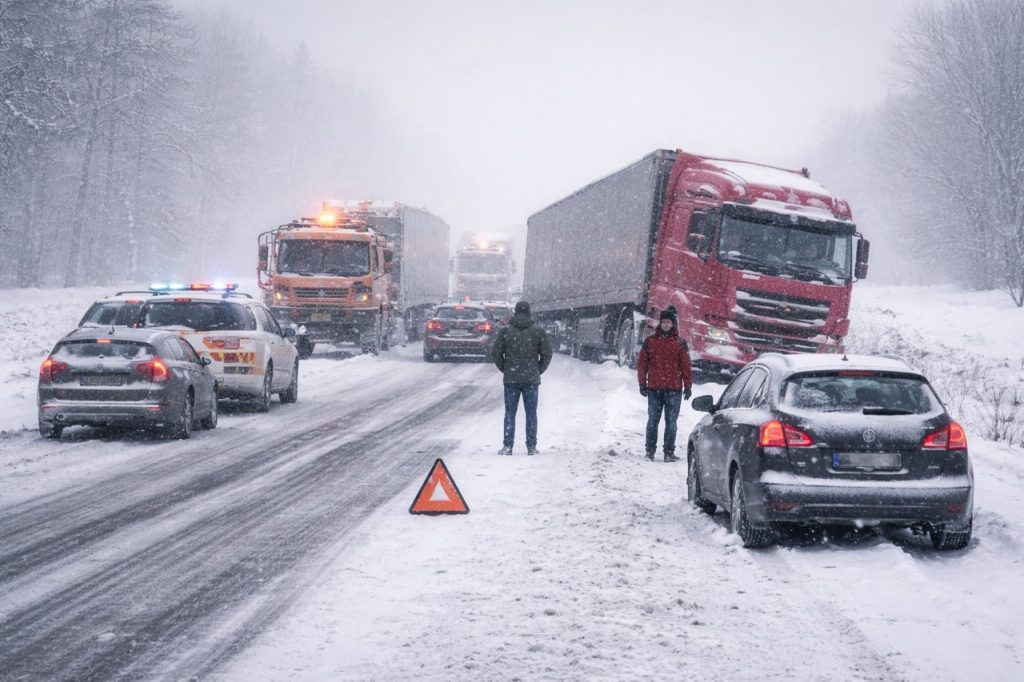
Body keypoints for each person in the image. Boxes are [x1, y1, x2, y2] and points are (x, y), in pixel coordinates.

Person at [491, 301, 552, 456]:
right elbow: (547, 353)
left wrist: (505, 368)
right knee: (531, 413)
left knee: (510, 413)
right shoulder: (538, 332)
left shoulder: (505, 332)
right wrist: (538, 370)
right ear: (529, 312)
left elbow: (496, 353)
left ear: (515, 312)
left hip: (511, 379)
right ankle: (531, 447)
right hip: (531, 380)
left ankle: (508, 446)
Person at [637, 309, 693, 462]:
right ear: (660, 323)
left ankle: (668, 452)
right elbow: (642, 364)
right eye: (663, 322)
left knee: (671, 422)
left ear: (673, 323)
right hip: (655, 389)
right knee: (653, 421)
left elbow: (685, 366)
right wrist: (642, 384)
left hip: (673, 390)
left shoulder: (680, 343)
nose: (666, 324)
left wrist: (688, 386)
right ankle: (650, 451)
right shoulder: (650, 342)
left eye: (668, 322)